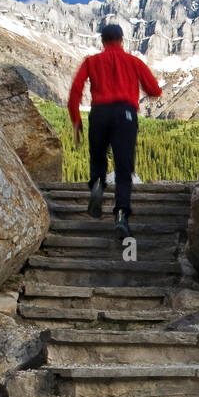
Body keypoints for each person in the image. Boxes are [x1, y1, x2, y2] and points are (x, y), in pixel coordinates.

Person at [67, 23, 163, 239]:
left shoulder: (91, 62)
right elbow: (155, 90)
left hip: (99, 113)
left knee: (98, 157)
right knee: (123, 166)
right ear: (122, 40)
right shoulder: (134, 61)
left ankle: (98, 183)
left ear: (102, 41)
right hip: (125, 114)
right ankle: (121, 215)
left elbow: (75, 90)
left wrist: (76, 121)